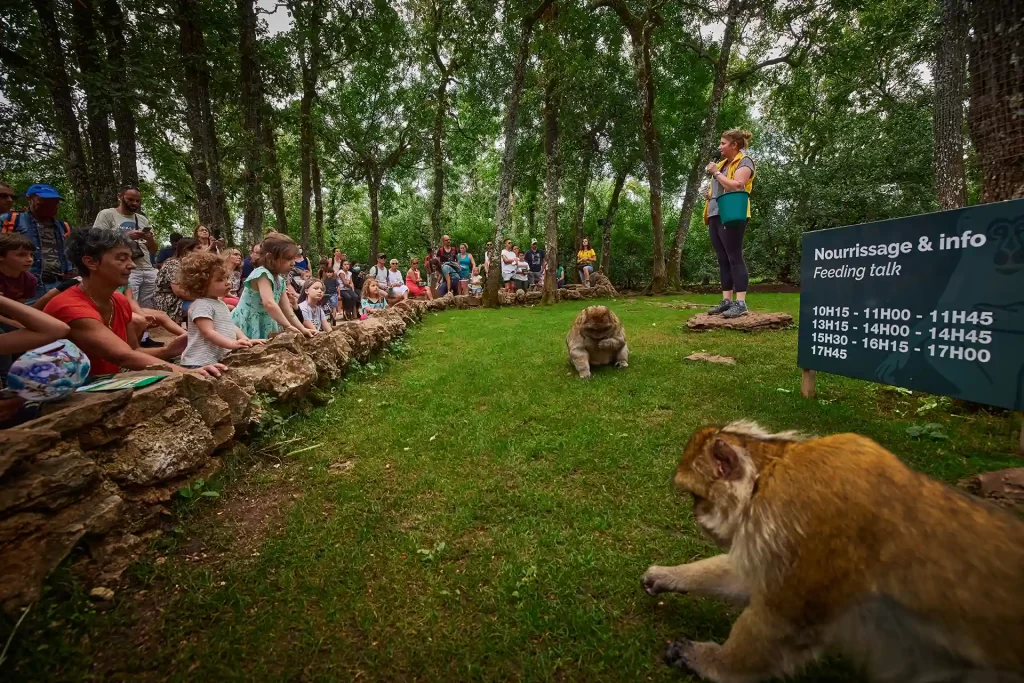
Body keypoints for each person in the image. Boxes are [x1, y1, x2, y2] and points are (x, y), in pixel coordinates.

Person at [42, 226, 224, 377]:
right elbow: (124, 356)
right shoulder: (70, 307)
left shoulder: (119, 300)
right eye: (122, 259)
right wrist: (187, 372)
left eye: (130, 257)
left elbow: (134, 351)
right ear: (91, 262)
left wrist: (168, 350)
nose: (132, 264)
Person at [177, 250, 262, 368]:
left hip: (216, 359)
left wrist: (244, 339)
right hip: (199, 362)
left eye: (227, 278)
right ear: (200, 284)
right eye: (220, 280)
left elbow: (230, 325)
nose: (228, 282)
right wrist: (232, 343)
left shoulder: (219, 303)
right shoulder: (201, 305)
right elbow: (208, 332)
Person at [704, 128, 755, 319]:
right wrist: (709, 194)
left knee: (734, 256)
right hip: (715, 214)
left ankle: (740, 303)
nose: (720, 147)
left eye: (723, 143)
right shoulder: (722, 164)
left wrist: (716, 173)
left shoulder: (745, 161)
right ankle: (726, 302)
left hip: (733, 213)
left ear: (734, 145)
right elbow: (720, 190)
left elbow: (736, 185)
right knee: (722, 258)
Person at [231, 232, 314, 340]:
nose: (293, 263)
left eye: (294, 259)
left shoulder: (280, 281)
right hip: (247, 322)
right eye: (288, 259)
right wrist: (287, 326)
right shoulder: (262, 274)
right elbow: (269, 303)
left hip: (265, 323)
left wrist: (302, 329)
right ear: (270, 258)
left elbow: (286, 309)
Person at [1, 184, 75, 299]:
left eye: (54, 201)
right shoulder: (10, 221)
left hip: (60, 286)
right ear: (29, 199)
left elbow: (74, 253)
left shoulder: (64, 227)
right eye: (43, 200)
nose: (50, 205)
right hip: (25, 286)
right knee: (22, 315)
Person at [94, 186, 159, 309]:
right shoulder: (107, 214)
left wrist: (150, 239)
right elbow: (97, 240)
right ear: (120, 196)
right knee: (128, 306)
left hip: (147, 268)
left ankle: (144, 328)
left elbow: (154, 250)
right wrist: (127, 236)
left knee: (149, 308)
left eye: (138, 201)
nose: (134, 203)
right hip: (127, 269)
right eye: (130, 199)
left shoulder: (142, 219)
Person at [0, 233, 56, 307]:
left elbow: (17, 309)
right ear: (1, 256)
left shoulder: (30, 280)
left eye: (31, 255)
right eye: (21, 255)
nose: (30, 259)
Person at [154, 238, 200, 325]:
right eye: (198, 248)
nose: (202, 251)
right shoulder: (174, 264)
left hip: (183, 298)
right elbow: (179, 291)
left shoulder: (190, 264)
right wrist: (202, 298)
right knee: (203, 306)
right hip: (169, 300)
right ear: (187, 250)